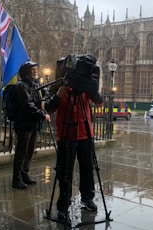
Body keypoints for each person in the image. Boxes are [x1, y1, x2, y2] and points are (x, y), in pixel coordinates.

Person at [45, 86, 103, 219]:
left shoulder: (85, 86)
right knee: (64, 171)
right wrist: (58, 95)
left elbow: (99, 100)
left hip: (85, 134)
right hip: (66, 135)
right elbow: (48, 107)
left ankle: (87, 198)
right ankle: (64, 203)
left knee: (88, 168)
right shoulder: (60, 86)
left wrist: (89, 86)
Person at [12, 61, 51, 189]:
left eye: (36, 69)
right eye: (32, 70)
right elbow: (28, 105)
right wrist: (43, 115)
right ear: (26, 72)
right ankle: (16, 179)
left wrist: (44, 101)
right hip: (23, 124)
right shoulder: (21, 86)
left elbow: (46, 93)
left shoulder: (35, 85)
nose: (35, 71)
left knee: (30, 150)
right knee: (21, 151)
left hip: (33, 123)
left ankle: (25, 174)